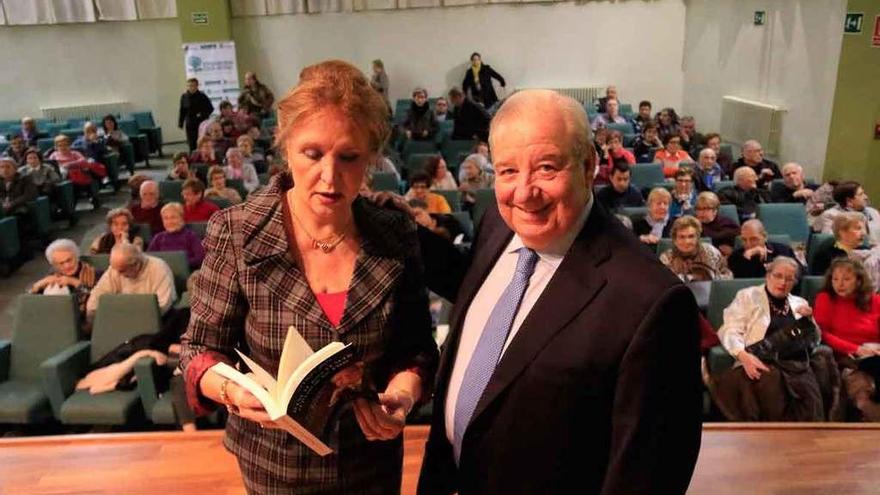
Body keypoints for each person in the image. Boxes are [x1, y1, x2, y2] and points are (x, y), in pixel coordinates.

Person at [415, 89, 701, 495]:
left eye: (546, 168)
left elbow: (649, 475)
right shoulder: (498, 221)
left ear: (588, 165)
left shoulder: (652, 302)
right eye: (508, 171)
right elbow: (475, 295)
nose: (524, 192)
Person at [180, 60, 438, 493]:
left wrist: (402, 396)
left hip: (369, 461)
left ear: (372, 156)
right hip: (276, 464)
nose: (330, 177)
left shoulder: (393, 231)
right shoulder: (239, 231)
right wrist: (234, 393)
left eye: (350, 157)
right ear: (286, 146)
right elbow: (199, 350)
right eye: (313, 154)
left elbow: (417, 349)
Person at [712, 256, 839, 421]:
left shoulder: (799, 302)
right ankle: (774, 441)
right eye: (778, 276)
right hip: (760, 358)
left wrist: (810, 323)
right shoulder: (748, 296)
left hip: (796, 363)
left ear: (795, 282)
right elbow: (729, 330)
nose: (783, 282)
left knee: (810, 397)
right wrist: (743, 356)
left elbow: (814, 342)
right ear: (768, 275)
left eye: (789, 279)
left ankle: (807, 441)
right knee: (771, 385)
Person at [814, 258, 880, 421]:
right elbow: (822, 334)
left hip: (875, 352)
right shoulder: (825, 299)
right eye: (835, 279)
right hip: (849, 358)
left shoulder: (874, 300)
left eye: (846, 279)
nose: (840, 284)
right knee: (865, 396)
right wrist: (855, 349)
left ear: (858, 281)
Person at [86, 243, 177, 324]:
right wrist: (93, 314)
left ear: (136, 264)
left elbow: (163, 305)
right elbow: (97, 295)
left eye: (122, 271)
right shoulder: (115, 270)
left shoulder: (159, 268)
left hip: (153, 323)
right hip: (120, 321)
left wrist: (132, 318)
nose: (117, 274)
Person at [28, 239, 96, 317]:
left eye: (69, 260)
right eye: (61, 263)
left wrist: (75, 283)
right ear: (54, 265)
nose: (67, 266)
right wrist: (39, 284)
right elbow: (30, 301)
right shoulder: (53, 275)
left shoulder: (94, 273)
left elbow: (96, 297)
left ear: (76, 257)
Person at [659, 215, 732, 281]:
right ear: (674, 240)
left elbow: (728, 276)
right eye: (682, 237)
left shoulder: (711, 252)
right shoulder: (666, 258)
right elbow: (662, 283)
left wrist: (710, 278)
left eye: (691, 236)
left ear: (698, 238)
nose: (687, 241)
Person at [814, 181, 880, 246]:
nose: (866, 197)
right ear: (849, 201)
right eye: (861, 194)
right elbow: (831, 243)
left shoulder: (873, 212)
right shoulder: (832, 216)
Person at [728, 219, 799, 279]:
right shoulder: (736, 257)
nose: (748, 244)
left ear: (764, 237)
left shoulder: (783, 251)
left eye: (753, 239)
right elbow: (740, 281)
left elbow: (800, 273)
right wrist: (747, 258)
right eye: (744, 240)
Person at [148, 202, 206, 269]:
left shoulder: (190, 236)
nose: (170, 222)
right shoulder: (158, 237)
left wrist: (181, 263)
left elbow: (200, 258)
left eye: (173, 217)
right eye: (166, 218)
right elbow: (149, 258)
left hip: (186, 271)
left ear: (182, 218)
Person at [811, 212, 868, 277]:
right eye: (858, 228)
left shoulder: (865, 250)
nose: (864, 233)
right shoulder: (827, 254)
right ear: (842, 232)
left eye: (864, 229)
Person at [694, 191, 739, 256]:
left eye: (705, 209)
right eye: (698, 209)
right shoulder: (693, 224)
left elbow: (738, 234)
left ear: (715, 210)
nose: (701, 213)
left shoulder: (726, 223)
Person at [178, 78, 215, 151]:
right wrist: (181, 122)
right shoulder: (184, 96)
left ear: (197, 86)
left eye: (193, 86)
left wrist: (202, 115)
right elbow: (182, 110)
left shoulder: (202, 96)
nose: (191, 87)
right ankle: (193, 156)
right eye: (189, 86)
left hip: (200, 123)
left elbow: (210, 108)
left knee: (201, 141)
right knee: (191, 142)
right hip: (189, 122)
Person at [0, 157, 38, 222]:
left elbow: (28, 195)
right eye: (1, 167)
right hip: (2, 207)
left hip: (18, 207)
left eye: (8, 167)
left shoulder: (25, 178)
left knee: (20, 214)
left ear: (15, 169)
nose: (4, 170)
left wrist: (11, 204)